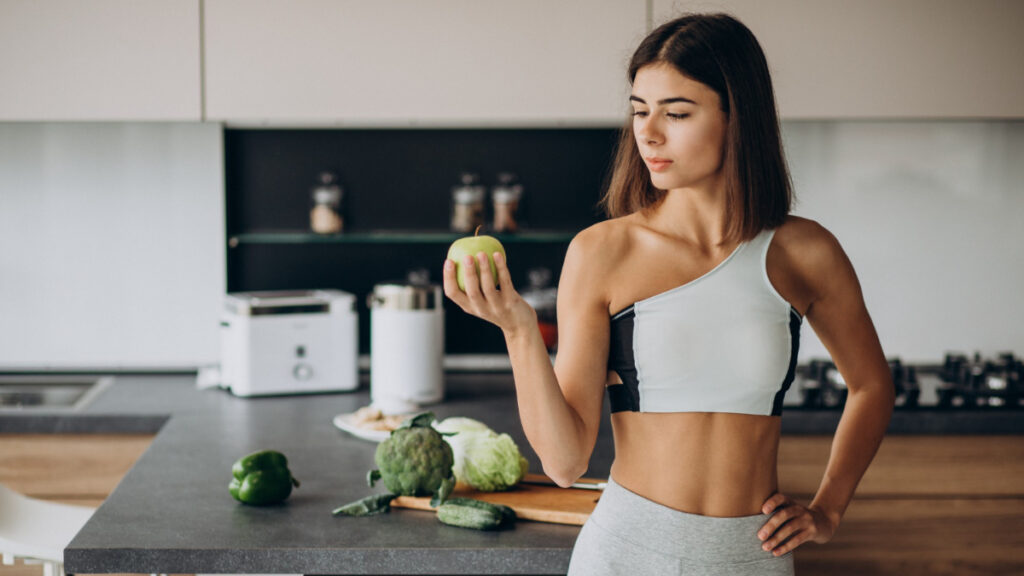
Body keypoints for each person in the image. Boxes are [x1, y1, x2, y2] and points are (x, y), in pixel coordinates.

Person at [441, 12, 894, 576]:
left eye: (676, 113)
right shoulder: (602, 251)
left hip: (752, 558)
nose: (649, 132)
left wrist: (828, 508)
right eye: (639, 111)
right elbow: (563, 460)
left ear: (737, 118)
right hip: (628, 550)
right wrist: (517, 328)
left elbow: (872, 385)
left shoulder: (804, 252)